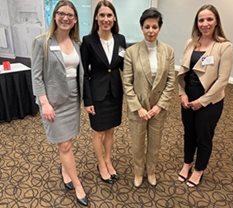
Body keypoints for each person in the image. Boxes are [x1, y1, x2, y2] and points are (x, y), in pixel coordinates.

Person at [31, 0, 88, 206]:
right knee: (64, 144)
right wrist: (44, 103)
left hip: (73, 99)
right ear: (54, 16)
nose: (65, 17)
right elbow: (36, 76)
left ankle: (65, 169)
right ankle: (77, 184)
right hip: (53, 102)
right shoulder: (42, 42)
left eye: (70, 15)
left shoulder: (77, 44)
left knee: (69, 141)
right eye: (61, 13)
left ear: (74, 20)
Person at [177, 4, 233, 187]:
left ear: (216, 22)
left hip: (210, 100)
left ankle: (199, 169)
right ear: (197, 23)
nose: (205, 23)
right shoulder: (190, 43)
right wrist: (182, 94)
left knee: (204, 135)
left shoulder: (224, 46)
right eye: (201, 20)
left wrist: (202, 101)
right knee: (189, 133)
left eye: (209, 19)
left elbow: (223, 80)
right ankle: (187, 163)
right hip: (189, 96)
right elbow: (182, 71)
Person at [123, 8, 175, 187]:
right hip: (138, 108)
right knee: (137, 144)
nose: (150, 30)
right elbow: (127, 83)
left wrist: (159, 106)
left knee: (155, 144)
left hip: (158, 109)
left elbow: (170, 81)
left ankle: (151, 171)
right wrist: (138, 107)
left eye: (154, 27)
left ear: (159, 28)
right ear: (141, 28)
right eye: (147, 27)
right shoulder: (131, 52)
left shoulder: (168, 51)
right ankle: (138, 172)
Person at [80, 0, 126, 184]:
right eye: (102, 15)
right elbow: (83, 73)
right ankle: (101, 164)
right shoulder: (88, 41)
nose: (106, 19)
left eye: (109, 15)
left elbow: (124, 66)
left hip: (115, 92)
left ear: (114, 18)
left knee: (111, 130)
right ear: (96, 18)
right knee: (98, 132)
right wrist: (87, 100)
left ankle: (108, 159)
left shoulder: (121, 39)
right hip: (96, 94)